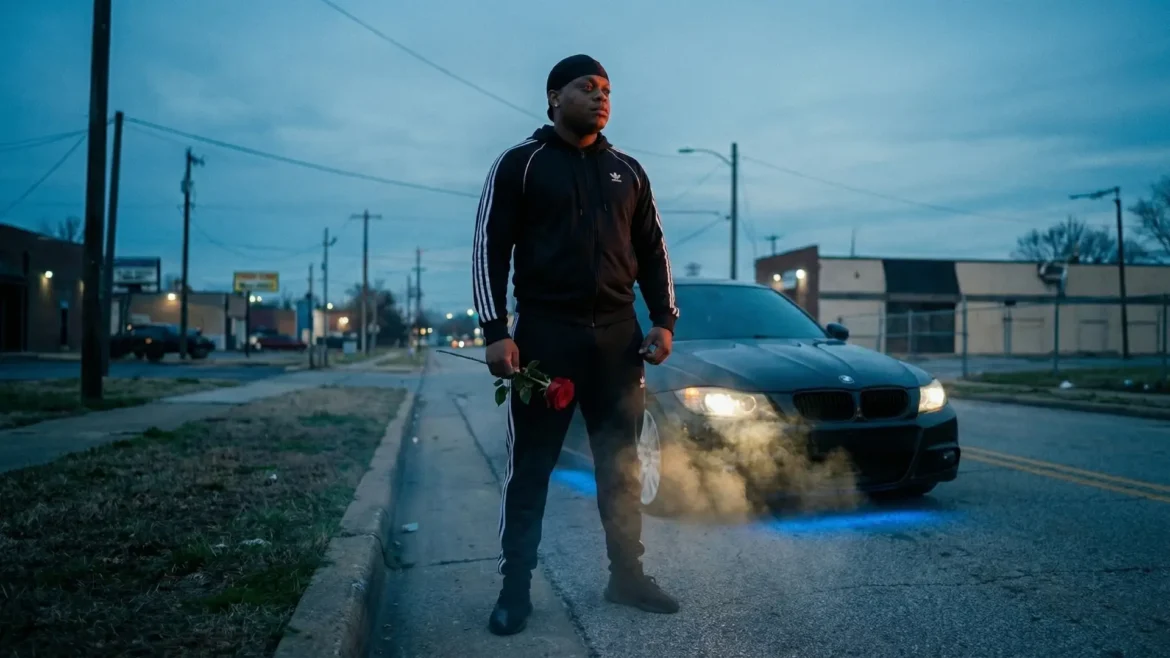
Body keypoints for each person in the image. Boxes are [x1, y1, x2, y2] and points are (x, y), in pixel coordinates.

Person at [472, 54, 681, 636]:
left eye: (607, 89)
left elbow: (654, 250)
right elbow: (490, 250)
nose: (600, 97)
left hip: (619, 342)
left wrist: (663, 320)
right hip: (545, 339)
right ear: (553, 97)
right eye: (587, 88)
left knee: (620, 467)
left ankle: (627, 577)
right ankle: (515, 591)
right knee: (531, 470)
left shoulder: (628, 171)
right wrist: (496, 332)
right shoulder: (521, 165)